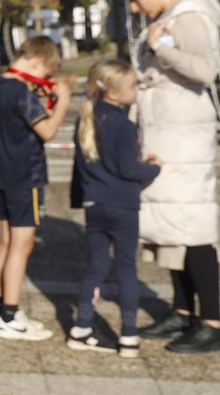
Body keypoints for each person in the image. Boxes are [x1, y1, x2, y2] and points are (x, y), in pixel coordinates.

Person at [123, 0, 220, 353]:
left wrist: (157, 48)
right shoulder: (173, 15)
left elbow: (205, 70)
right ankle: (183, 312)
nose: (135, 8)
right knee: (171, 224)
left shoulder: (189, 17)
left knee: (193, 225)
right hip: (167, 129)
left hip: (182, 134)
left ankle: (213, 322)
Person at [67, 59, 161, 358]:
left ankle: (81, 327)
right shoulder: (123, 124)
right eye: (133, 85)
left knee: (94, 269)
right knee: (126, 270)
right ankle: (129, 334)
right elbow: (127, 169)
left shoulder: (86, 120)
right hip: (122, 206)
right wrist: (153, 169)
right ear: (114, 94)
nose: (137, 90)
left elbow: (81, 169)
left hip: (95, 205)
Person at [0, 36, 72, 342]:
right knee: (23, 244)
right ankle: (9, 313)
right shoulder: (22, 91)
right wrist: (63, 101)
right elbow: (46, 131)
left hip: (3, 172)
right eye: (46, 71)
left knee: (6, 240)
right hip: (26, 175)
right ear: (37, 61)